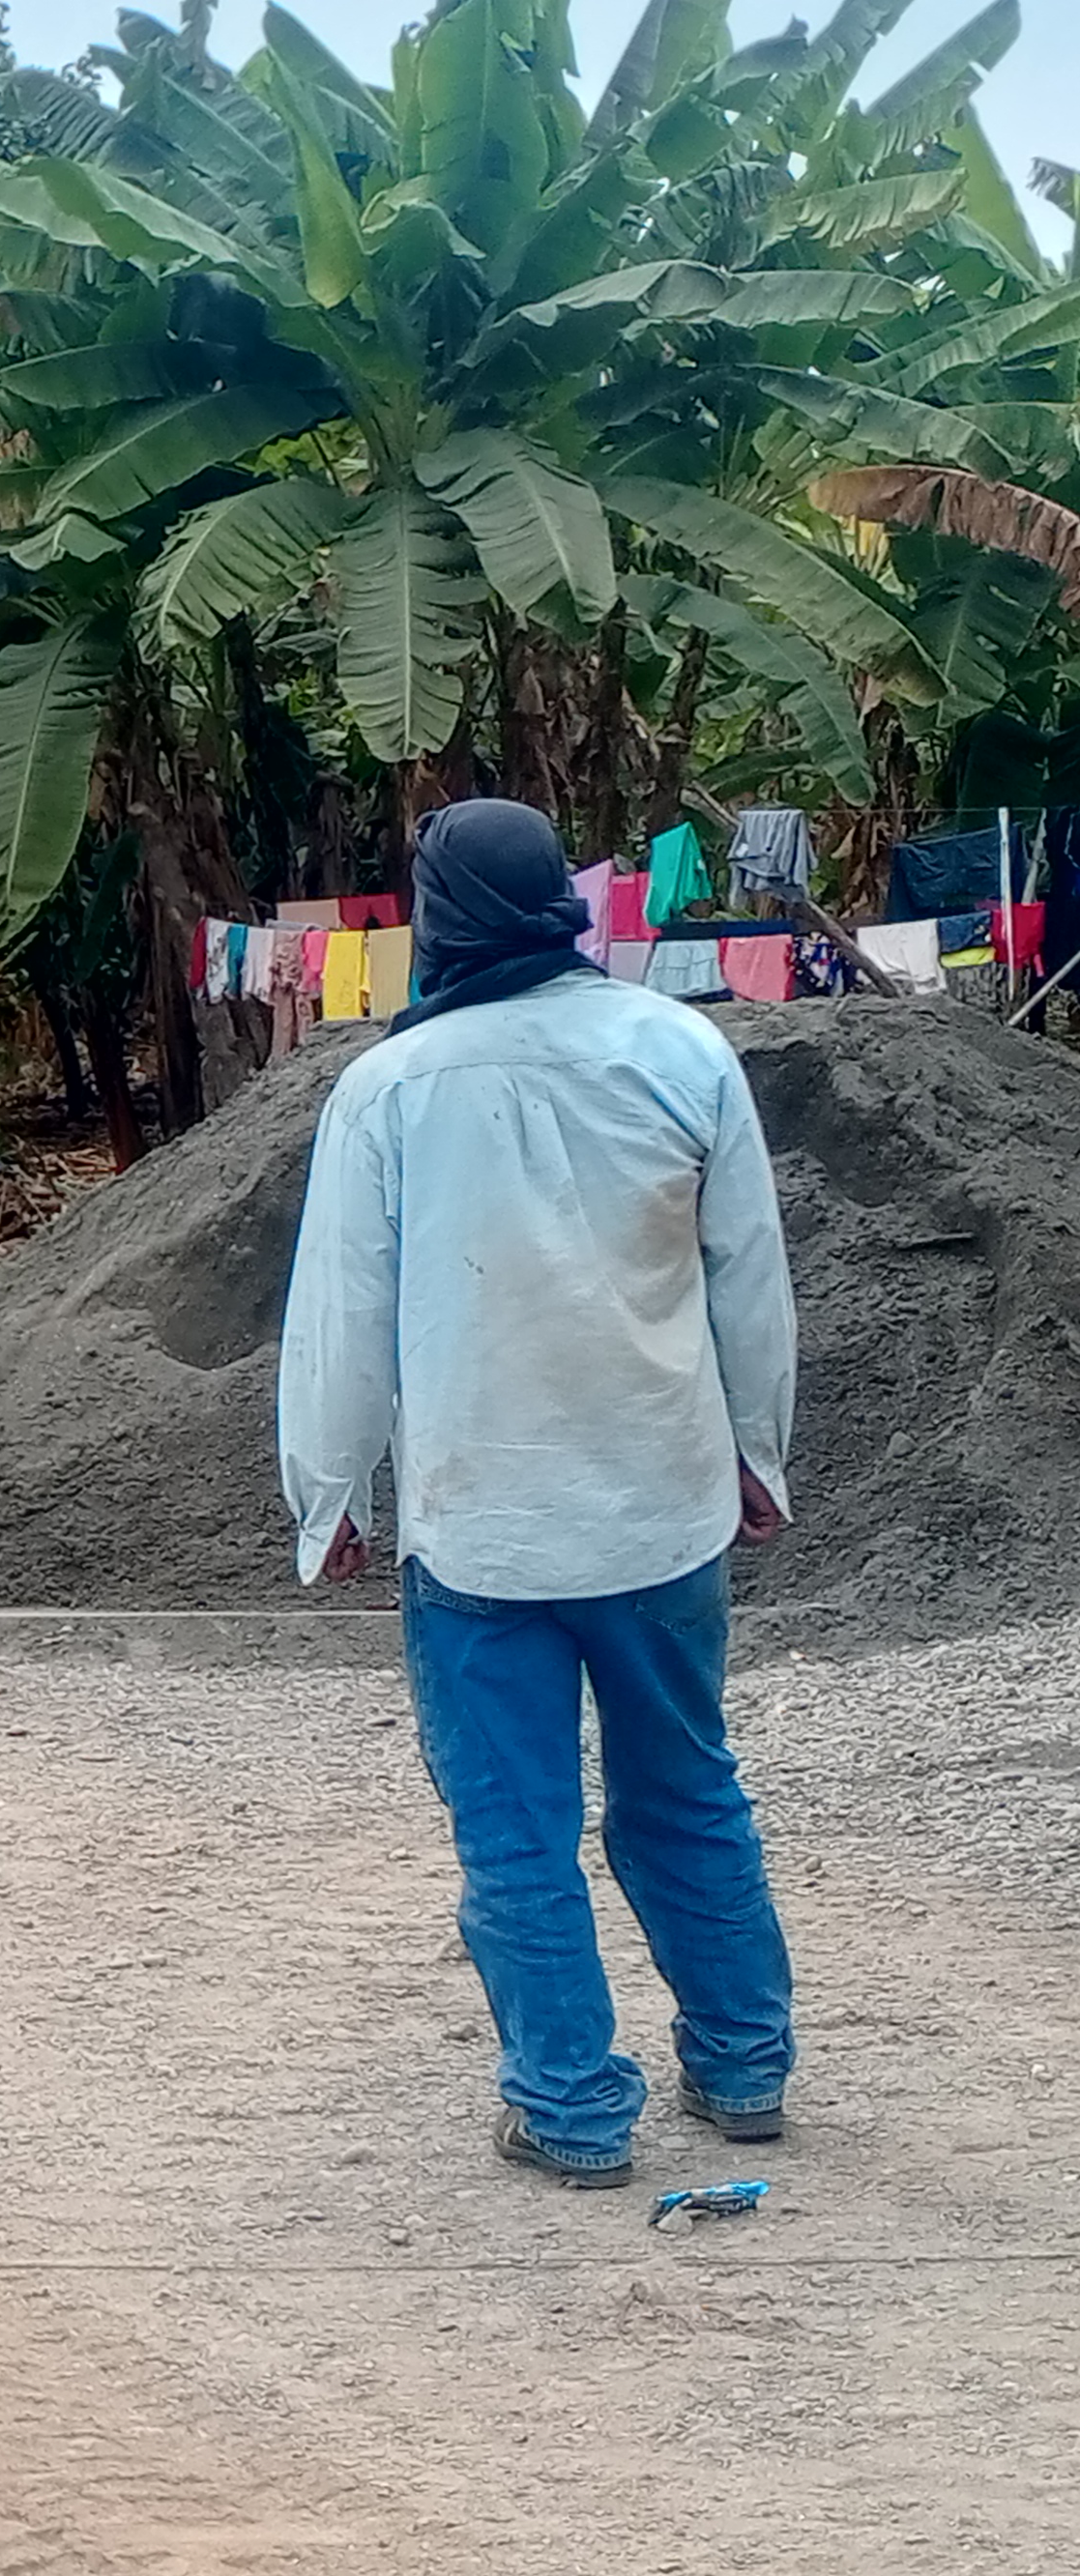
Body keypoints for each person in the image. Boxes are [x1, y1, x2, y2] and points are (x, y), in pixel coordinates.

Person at [279, 798, 800, 2190]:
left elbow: (341, 1310)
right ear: (562, 906)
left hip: (480, 1533)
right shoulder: (680, 1049)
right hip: (662, 1509)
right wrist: (757, 1452)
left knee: (517, 1833)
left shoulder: (390, 1088)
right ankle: (743, 2065)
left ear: (436, 917)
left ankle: (569, 2108)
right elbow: (748, 1277)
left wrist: (330, 1492)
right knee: (685, 1792)